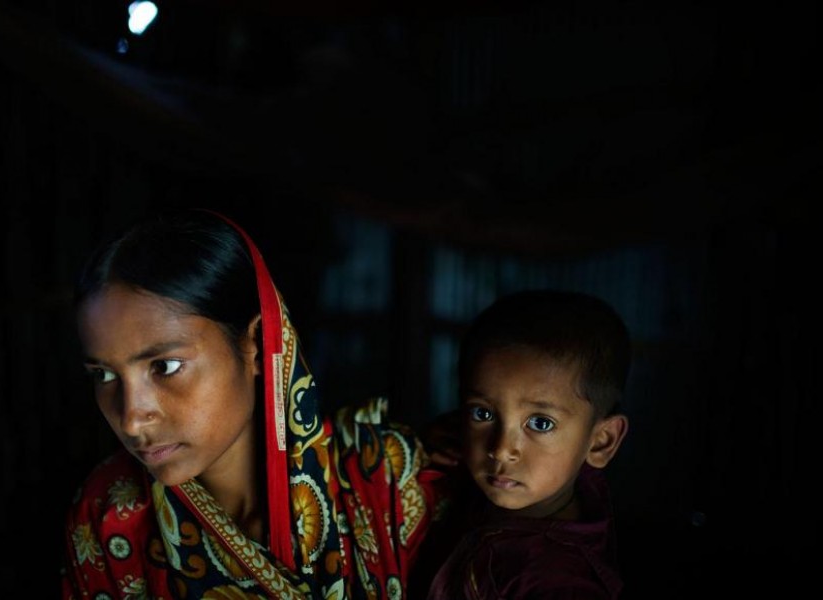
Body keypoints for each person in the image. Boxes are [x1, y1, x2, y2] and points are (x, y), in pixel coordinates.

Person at [60, 208, 444, 599]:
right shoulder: (108, 517)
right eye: (103, 376)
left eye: (165, 366)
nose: (131, 418)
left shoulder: (388, 481)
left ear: (256, 344)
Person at [419, 289, 630, 599]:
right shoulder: (536, 484)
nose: (501, 449)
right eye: (484, 412)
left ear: (601, 442)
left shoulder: (557, 582)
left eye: (540, 423)